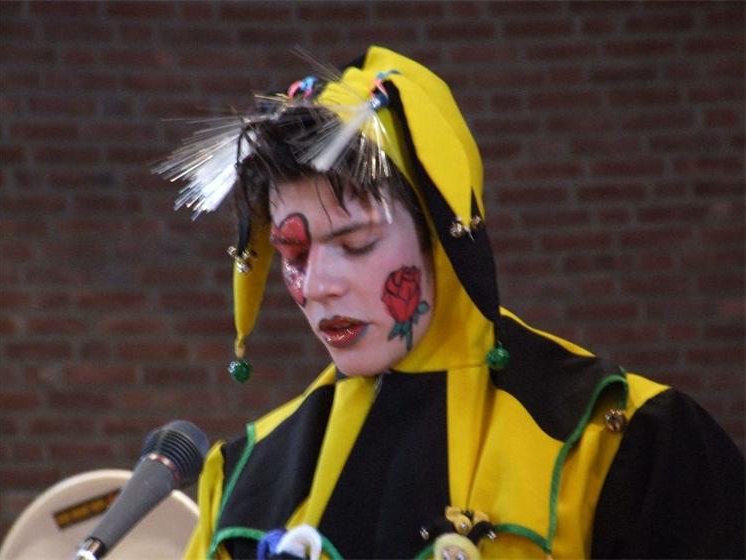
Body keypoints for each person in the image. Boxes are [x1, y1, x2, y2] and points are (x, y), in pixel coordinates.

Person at [158, 46, 744, 559]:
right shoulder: (245, 477)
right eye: (292, 254)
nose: (316, 286)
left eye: (356, 244)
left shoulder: (621, 439)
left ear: (441, 239)